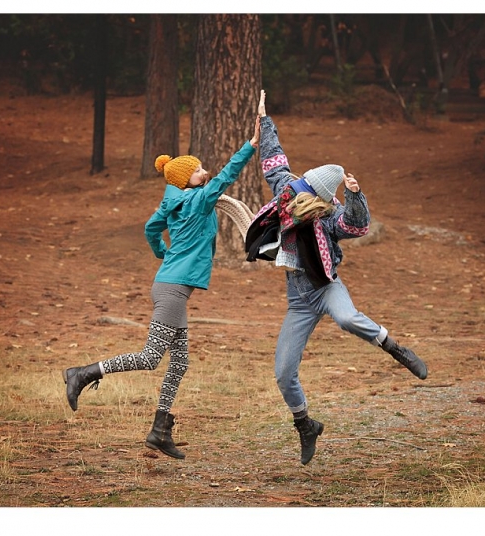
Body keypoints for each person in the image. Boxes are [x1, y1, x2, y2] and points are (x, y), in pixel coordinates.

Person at [63, 97, 263, 459]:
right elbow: (227, 175)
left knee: (180, 362)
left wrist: (162, 254)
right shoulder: (199, 200)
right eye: (198, 169)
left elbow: (150, 229)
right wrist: (250, 146)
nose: (204, 171)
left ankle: (159, 430)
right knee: (151, 357)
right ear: (186, 179)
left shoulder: (172, 205)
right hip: (172, 290)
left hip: (171, 286)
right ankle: (84, 372)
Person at [245, 93, 428, 466]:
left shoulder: (330, 217)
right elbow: (273, 158)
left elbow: (357, 226)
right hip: (298, 299)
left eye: (307, 191)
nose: (298, 193)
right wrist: (265, 120)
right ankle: (306, 425)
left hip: (327, 288)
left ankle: (396, 349)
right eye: (301, 186)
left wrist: (357, 196)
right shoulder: (286, 190)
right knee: (283, 372)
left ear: (321, 197)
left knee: (346, 318)